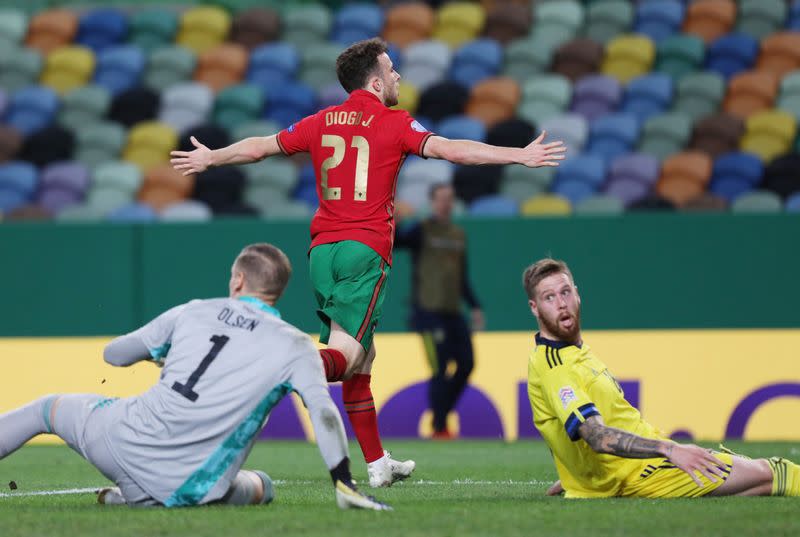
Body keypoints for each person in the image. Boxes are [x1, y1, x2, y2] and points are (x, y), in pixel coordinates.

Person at [170, 37, 566, 487]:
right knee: (346, 353)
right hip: (365, 250)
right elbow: (452, 150)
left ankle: (377, 464)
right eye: (392, 70)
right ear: (376, 83)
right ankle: (266, 372)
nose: (398, 76)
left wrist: (211, 157)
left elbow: (260, 146)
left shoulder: (320, 121)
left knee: (362, 359)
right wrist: (518, 155)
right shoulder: (394, 122)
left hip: (322, 252)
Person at [0, 243, 389, 510]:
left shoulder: (194, 311)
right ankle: (136, 497)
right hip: (190, 486)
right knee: (262, 487)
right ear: (278, 291)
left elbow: (114, 355)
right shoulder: (295, 347)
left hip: (120, 441)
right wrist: (343, 481)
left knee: (45, 410)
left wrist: (162, 353)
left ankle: (131, 494)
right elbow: (323, 412)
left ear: (238, 280)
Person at [523, 257, 800, 499]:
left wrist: (579, 475)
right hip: (641, 473)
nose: (561, 304)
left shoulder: (573, 351)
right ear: (534, 308)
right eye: (550, 297)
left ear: (577, 294)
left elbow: (564, 428)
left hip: (637, 468)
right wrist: (670, 450)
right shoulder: (556, 367)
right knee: (775, 472)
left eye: (565, 292)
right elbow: (596, 436)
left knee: (756, 486)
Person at [395, 183, 483, 439]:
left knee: (467, 363)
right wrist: (396, 223)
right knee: (440, 368)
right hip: (428, 312)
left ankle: (441, 414)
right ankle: (440, 427)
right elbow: (396, 243)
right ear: (432, 202)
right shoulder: (422, 230)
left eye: (449, 198)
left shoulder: (458, 234)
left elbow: (462, 276)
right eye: (441, 199)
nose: (446, 203)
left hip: (453, 312)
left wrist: (475, 305)